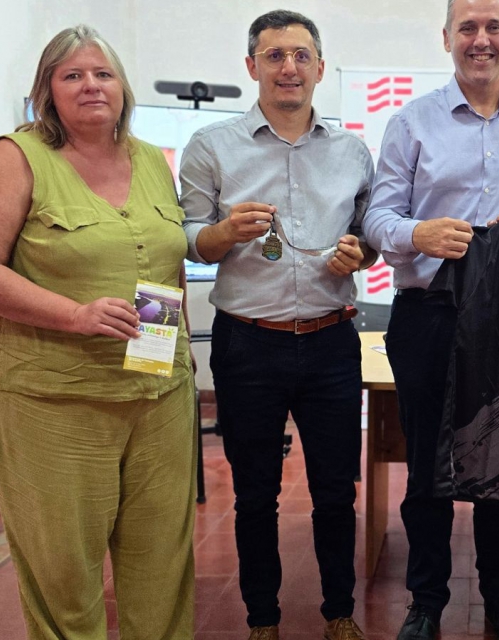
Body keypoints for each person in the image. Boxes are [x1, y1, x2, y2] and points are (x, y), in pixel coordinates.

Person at [0, 25, 195, 639]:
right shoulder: (15, 157)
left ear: (122, 87)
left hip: (155, 389)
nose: (91, 86)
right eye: (72, 75)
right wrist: (74, 315)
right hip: (47, 395)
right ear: (47, 91)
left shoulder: (150, 159)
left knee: (162, 559)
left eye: (103, 74)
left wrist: (178, 356)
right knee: (64, 568)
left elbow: (165, 264)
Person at [362, 1, 499, 638]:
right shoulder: (410, 121)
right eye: (468, 28)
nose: (481, 40)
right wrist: (417, 233)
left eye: (493, 27)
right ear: (447, 37)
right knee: (427, 467)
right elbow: (378, 219)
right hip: (429, 315)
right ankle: (426, 601)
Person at [179, 10, 374, 640]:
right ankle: (262, 619)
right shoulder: (211, 146)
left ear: (319, 67)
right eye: (274, 55)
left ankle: (339, 612)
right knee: (255, 493)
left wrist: (361, 254)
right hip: (248, 344)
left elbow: (368, 237)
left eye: (300, 55)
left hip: (331, 341)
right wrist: (222, 233)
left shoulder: (352, 151)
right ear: (251, 66)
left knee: (336, 492)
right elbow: (187, 238)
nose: (288, 67)